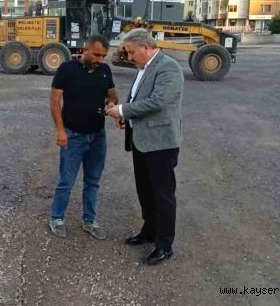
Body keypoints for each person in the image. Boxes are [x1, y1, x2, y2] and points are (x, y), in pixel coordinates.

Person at [105, 28, 184, 266]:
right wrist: (126, 117)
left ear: (146, 48)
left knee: (162, 195)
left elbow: (157, 102)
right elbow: (136, 100)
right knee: (145, 192)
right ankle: (149, 231)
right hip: (142, 140)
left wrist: (121, 110)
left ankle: (164, 245)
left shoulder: (168, 68)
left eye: (131, 52)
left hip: (161, 143)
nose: (129, 57)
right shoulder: (144, 68)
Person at [49, 34, 118, 240]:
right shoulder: (66, 69)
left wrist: (112, 103)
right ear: (85, 49)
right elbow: (54, 102)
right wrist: (60, 131)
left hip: (98, 136)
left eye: (103, 56)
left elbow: (112, 94)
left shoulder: (105, 70)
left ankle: (89, 221)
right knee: (66, 181)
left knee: (93, 181)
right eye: (96, 55)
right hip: (73, 135)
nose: (100, 59)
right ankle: (57, 217)